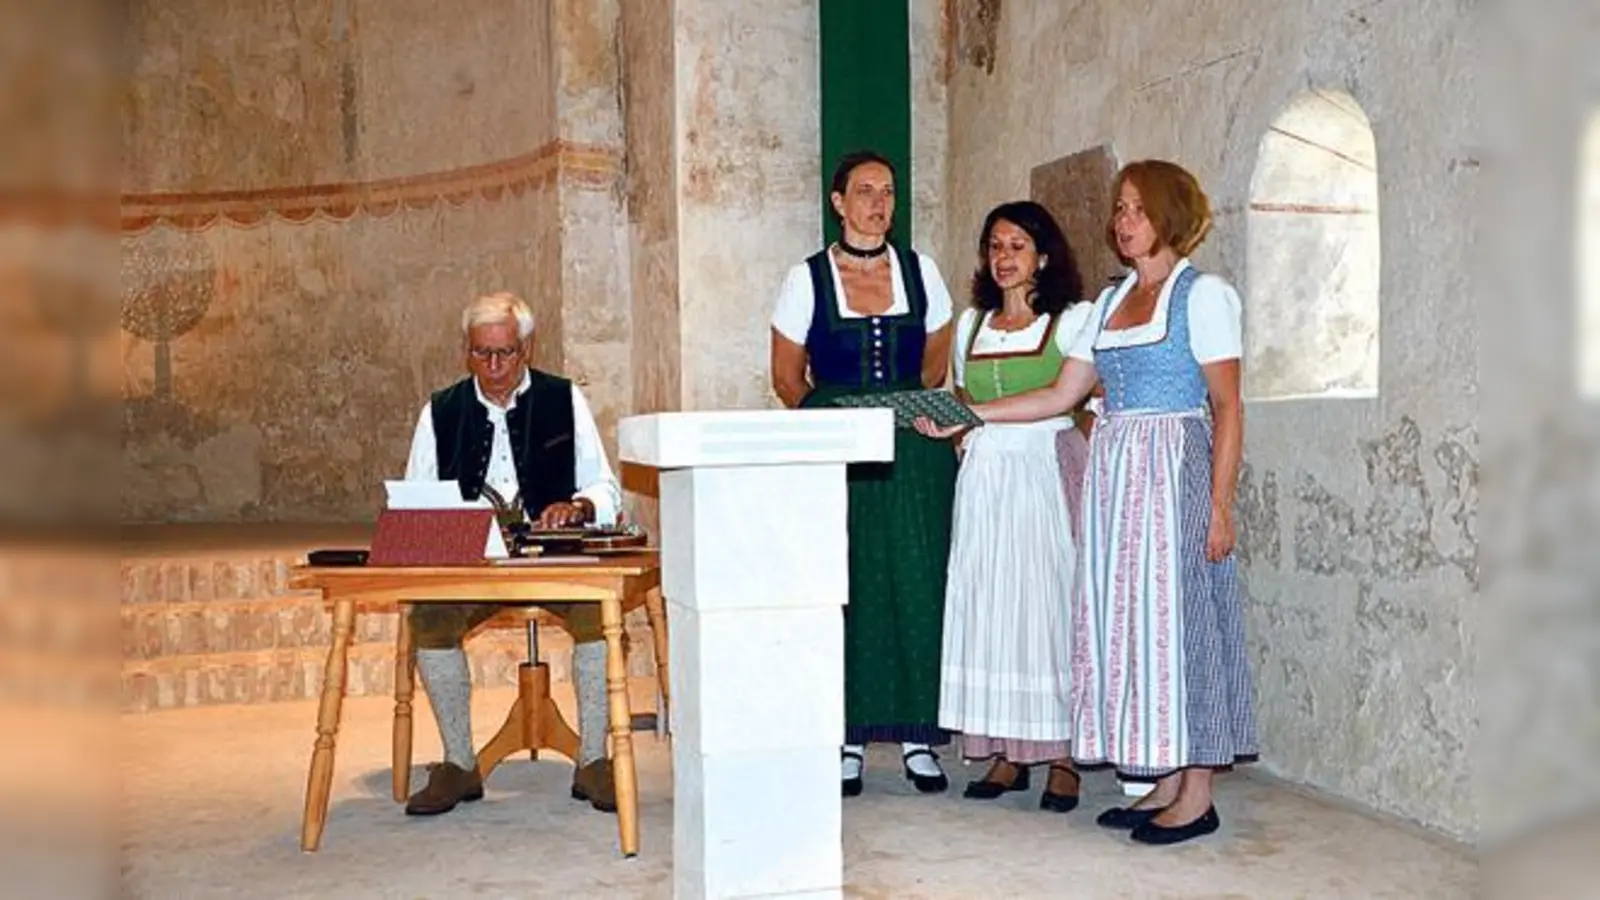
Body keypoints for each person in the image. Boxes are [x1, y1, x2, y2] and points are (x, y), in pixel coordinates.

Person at [919, 160, 1257, 844]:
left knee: (1185, 624)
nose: (1122, 221)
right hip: (1117, 477)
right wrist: (969, 415)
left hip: (1174, 467)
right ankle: (1165, 781)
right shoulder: (1111, 302)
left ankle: (1197, 794)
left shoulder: (1205, 296)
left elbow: (1227, 406)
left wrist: (1220, 507)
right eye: (1120, 209)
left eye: (1137, 209)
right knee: (1134, 626)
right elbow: (1060, 395)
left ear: (1170, 216)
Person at [769, 150, 958, 797]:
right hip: (837, 453)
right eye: (866, 191)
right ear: (838, 202)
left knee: (918, 580)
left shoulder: (921, 271)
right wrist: (834, 427)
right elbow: (787, 378)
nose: (879, 203)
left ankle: (918, 736)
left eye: (888, 192)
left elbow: (933, 367)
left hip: (914, 452)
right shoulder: (806, 279)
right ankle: (845, 734)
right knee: (844, 583)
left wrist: (896, 412)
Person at [399, 291, 623, 816]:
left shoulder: (563, 399)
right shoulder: (440, 411)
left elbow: (606, 488)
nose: (494, 366)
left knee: (598, 613)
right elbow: (415, 499)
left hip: (553, 560)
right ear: (467, 351)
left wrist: (578, 506)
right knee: (430, 616)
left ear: (526, 348)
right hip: (472, 564)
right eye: (482, 353)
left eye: (505, 353)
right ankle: (459, 764)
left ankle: (594, 760)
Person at [924, 201, 1097, 813]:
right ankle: (1006, 750)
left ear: (1043, 256)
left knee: (1047, 607)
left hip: (1043, 469)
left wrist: (971, 417)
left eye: (1017, 246)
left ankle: (1063, 754)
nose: (1004, 258)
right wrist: (955, 430)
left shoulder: (1074, 320)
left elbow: (1065, 398)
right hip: (986, 476)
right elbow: (960, 393)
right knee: (993, 607)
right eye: (995, 246)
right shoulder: (972, 325)